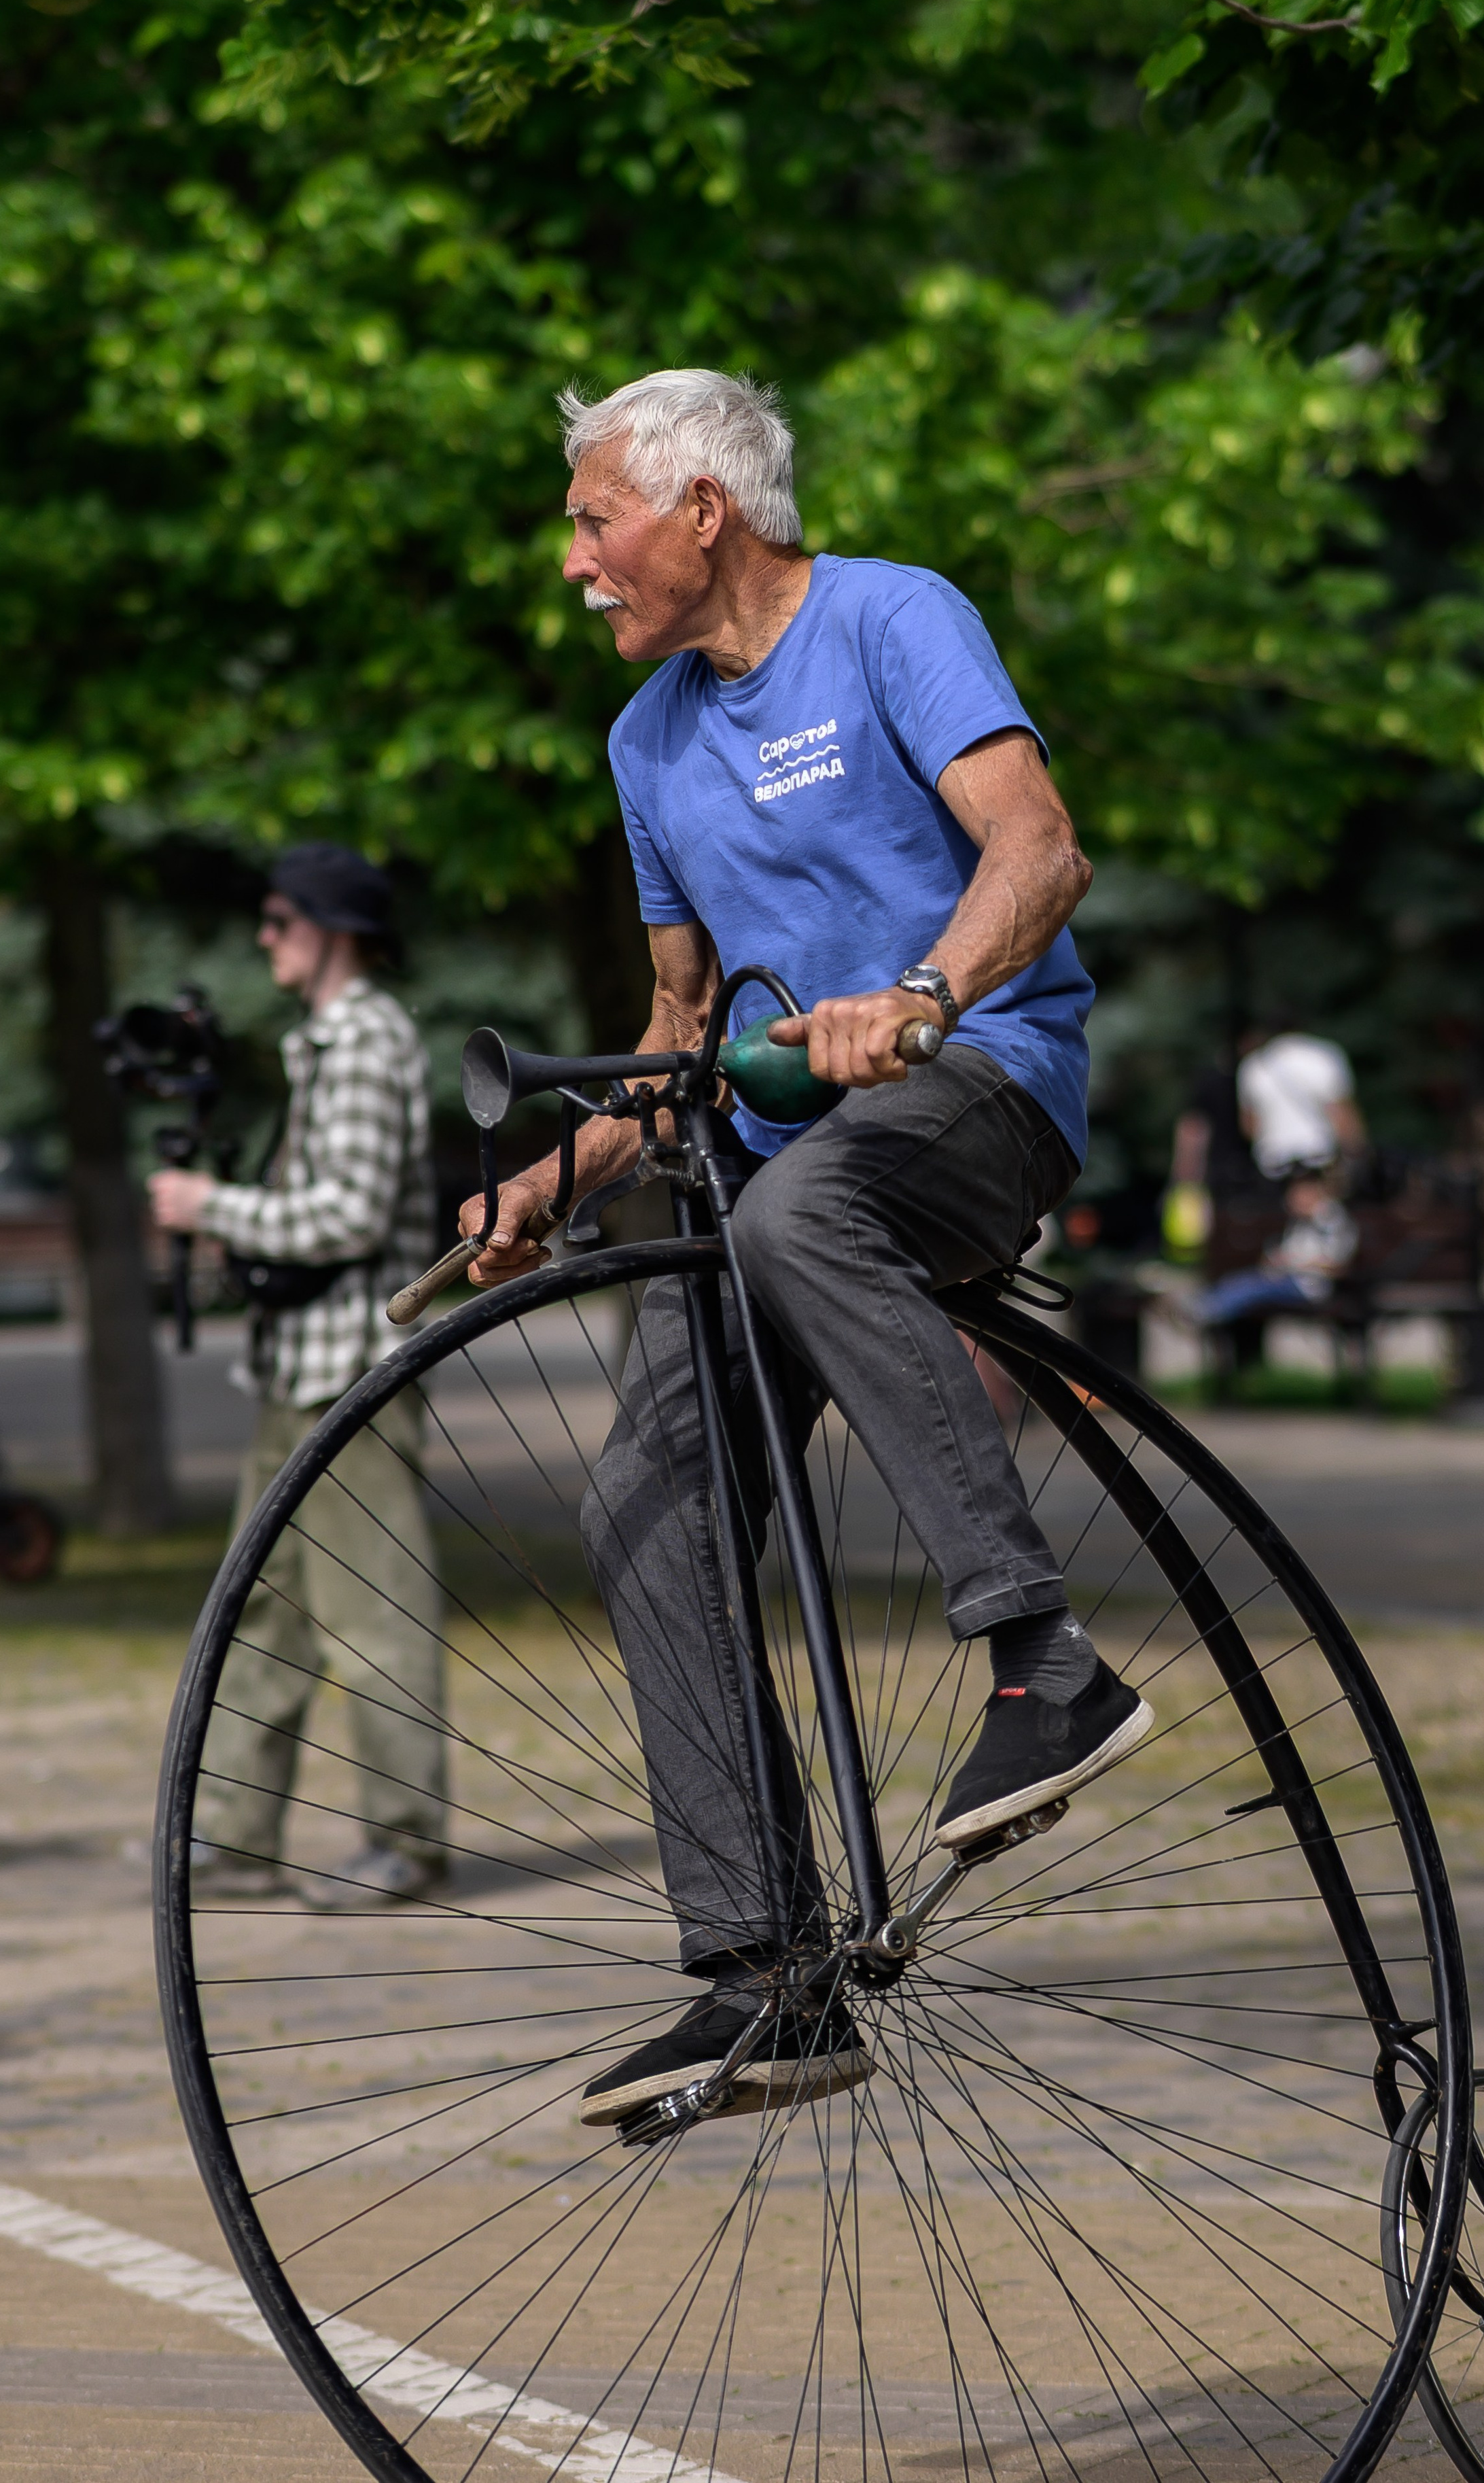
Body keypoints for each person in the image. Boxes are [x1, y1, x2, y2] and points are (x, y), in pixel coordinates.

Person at [457, 368, 1152, 2128]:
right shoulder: (645, 745)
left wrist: (918, 998)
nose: (574, 563)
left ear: (704, 508)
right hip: (784, 1166)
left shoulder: (893, 619)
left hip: (976, 1094)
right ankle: (773, 1971)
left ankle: (1039, 1662)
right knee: (644, 1496)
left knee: (801, 1205)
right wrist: (567, 1166)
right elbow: (681, 1025)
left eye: (592, 518)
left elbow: (1041, 853)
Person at [147, 844, 444, 1907]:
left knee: (371, 1614)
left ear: (333, 926)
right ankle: (235, 1836)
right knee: (260, 1609)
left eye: (280, 918)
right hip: (298, 1368)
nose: (265, 936)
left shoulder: (366, 1037)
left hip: (354, 1373)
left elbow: (350, 1214)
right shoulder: (325, 1040)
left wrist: (209, 1207)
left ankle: (407, 1841)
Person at [1194, 1171, 1359, 1329]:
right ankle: (1205, 1306)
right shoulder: (1300, 1222)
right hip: (1286, 1277)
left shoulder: (1332, 1222)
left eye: (1296, 1193)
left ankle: (1205, 1312)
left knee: (1252, 1286)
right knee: (1242, 1280)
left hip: (1309, 1285)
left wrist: (1294, 1263)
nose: (1290, 1198)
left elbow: (1338, 1266)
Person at [1237, 1020, 1366, 1180]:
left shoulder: (1253, 1065)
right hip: (1320, 1158)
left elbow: (1249, 1127)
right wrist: (1357, 1152)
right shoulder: (1324, 1055)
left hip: (1274, 1165)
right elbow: (1342, 1113)